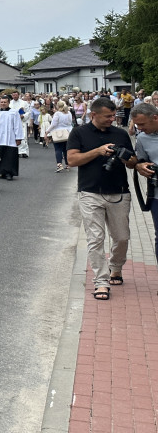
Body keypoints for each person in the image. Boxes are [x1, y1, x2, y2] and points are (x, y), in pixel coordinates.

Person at [67, 98, 136, 301]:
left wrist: (126, 157)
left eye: (114, 116)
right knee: (95, 239)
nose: (112, 119)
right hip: (90, 193)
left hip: (119, 192)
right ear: (93, 115)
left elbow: (133, 163)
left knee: (122, 237)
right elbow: (71, 160)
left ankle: (115, 267)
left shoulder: (120, 133)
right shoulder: (79, 133)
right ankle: (101, 281)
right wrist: (97, 151)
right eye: (108, 116)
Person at [131, 103, 158, 264]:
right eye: (137, 125)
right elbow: (140, 162)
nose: (140, 128)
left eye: (142, 124)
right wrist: (139, 166)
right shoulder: (142, 138)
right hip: (156, 195)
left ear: (155, 117)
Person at [0, 97, 23, 180]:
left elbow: (18, 126)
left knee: (9, 156)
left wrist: (18, 138)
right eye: (1, 102)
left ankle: (9, 173)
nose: (3, 103)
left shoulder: (14, 112)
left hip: (10, 138)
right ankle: (0, 171)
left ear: (8, 103)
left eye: (5, 102)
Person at [46, 100, 74, 172]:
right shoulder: (69, 113)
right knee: (65, 149)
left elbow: (54, 124)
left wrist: (47, 131)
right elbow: (70, 122)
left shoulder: (57, 114)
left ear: (58, 106)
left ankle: (59, 164)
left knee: (58, 149)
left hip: (58, 132)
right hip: (68, 132)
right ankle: (67, 164)